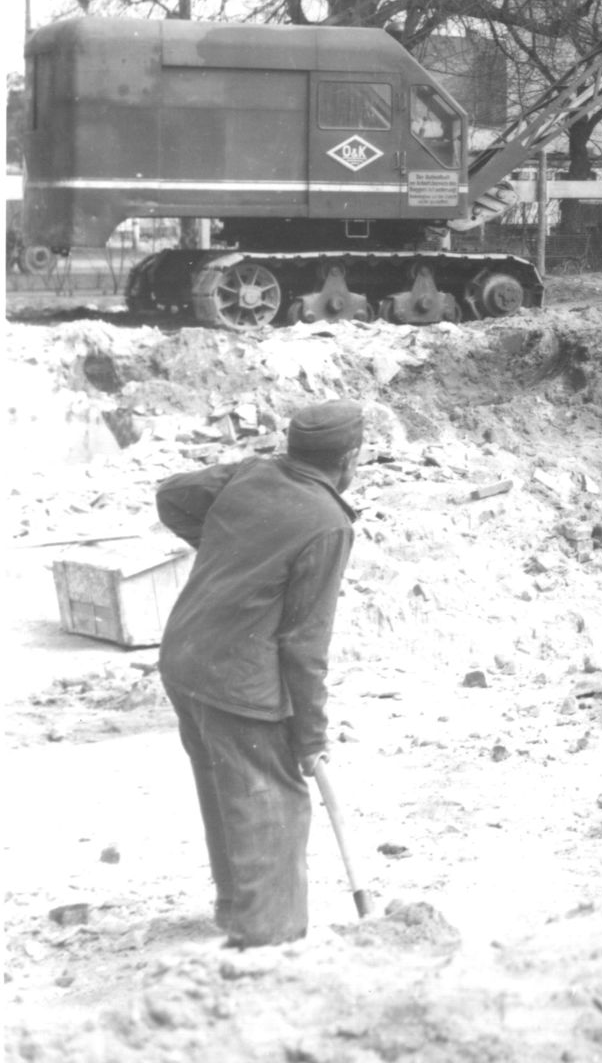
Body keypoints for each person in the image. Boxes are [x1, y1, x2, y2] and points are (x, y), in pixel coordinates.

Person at [156, 401, 363, 948]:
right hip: (237, 680)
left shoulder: (252, 473)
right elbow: (305, 645)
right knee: (272, 796)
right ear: (350, 459)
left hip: (185, 657)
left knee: (224, 786)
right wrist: (311, 737)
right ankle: (268, 936)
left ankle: (237, 911)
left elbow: (171, 494)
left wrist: (231, 553)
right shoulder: (329, 525)